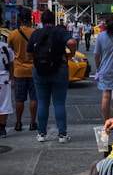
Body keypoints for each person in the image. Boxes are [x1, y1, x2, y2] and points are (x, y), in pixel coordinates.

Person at [26, 9, 77, 143]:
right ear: (54, 20)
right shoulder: (60, 31)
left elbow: (29, 53)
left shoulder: (36, 33)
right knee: (59, 103)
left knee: (42, 102)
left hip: (39, 70)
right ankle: (62, 135)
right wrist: (70, 55)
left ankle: (42, 134)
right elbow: (72, 42)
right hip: (59, 68)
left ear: (42, 21)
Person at [7, 6, 37, 131]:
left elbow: (9, 53)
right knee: (34, 98)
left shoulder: (13, 35)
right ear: (30, 19)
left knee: (19, 99)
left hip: (18, 71)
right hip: (33, 70)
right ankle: (32, 123)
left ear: (19, 19)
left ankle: (18, 123)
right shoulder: (35, 33)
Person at [0, 41, 15, 137]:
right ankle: (2, 128)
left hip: (4, 77)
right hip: (4, 77)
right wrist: (12, 78)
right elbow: (11, 63)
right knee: (4, 104)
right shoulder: (6, 47)